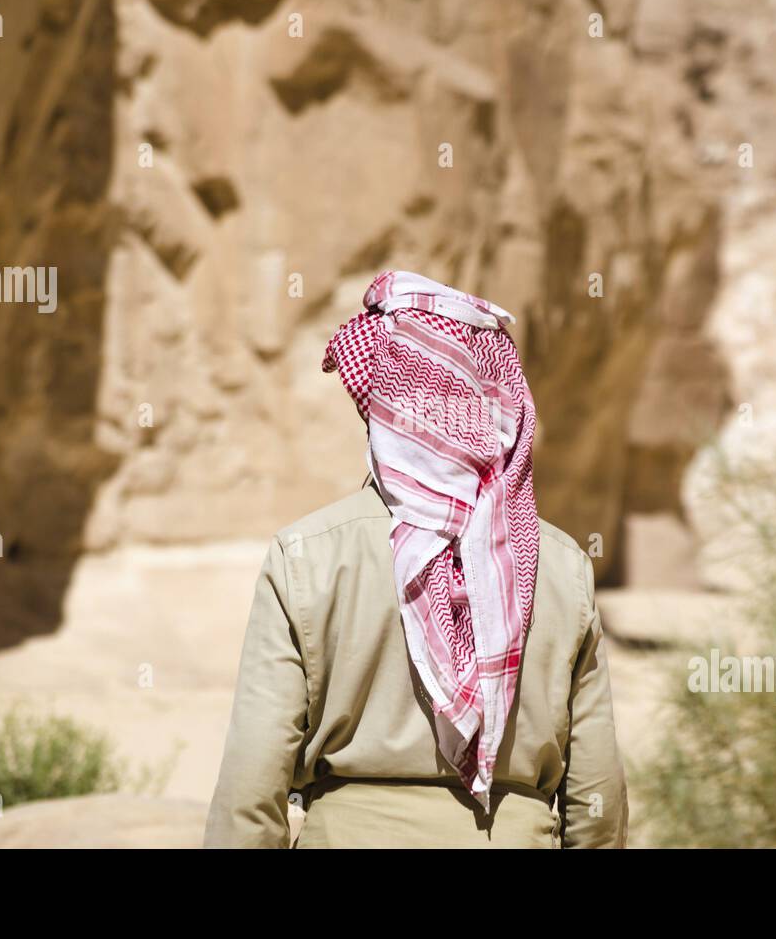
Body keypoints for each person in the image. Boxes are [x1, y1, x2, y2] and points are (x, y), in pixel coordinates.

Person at [204, 270, 627, 848]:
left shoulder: (305, 555)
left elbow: (251, 792)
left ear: (380, 404)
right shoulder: (561, 567)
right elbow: (595, 803)